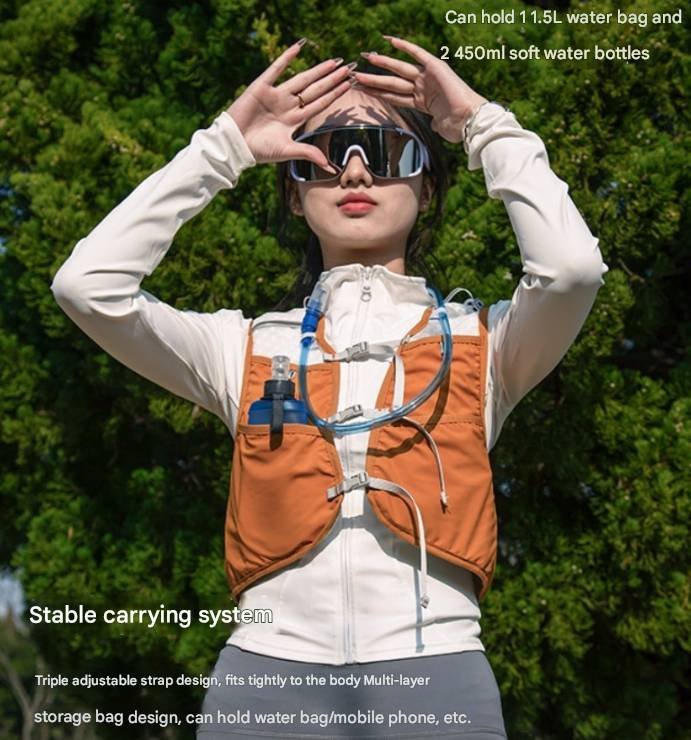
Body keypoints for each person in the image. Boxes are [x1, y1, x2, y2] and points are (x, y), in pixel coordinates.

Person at [51, 34, 607, 740]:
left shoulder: (483, 342)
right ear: (292, 190)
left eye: (387, 151)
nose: (354, 171)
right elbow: (88, 288)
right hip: (264, 680)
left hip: (435, 669)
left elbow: (570, 272)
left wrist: (481, 125)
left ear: (428, 186)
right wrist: (223, 148)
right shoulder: (243, 348)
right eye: (325, 151)